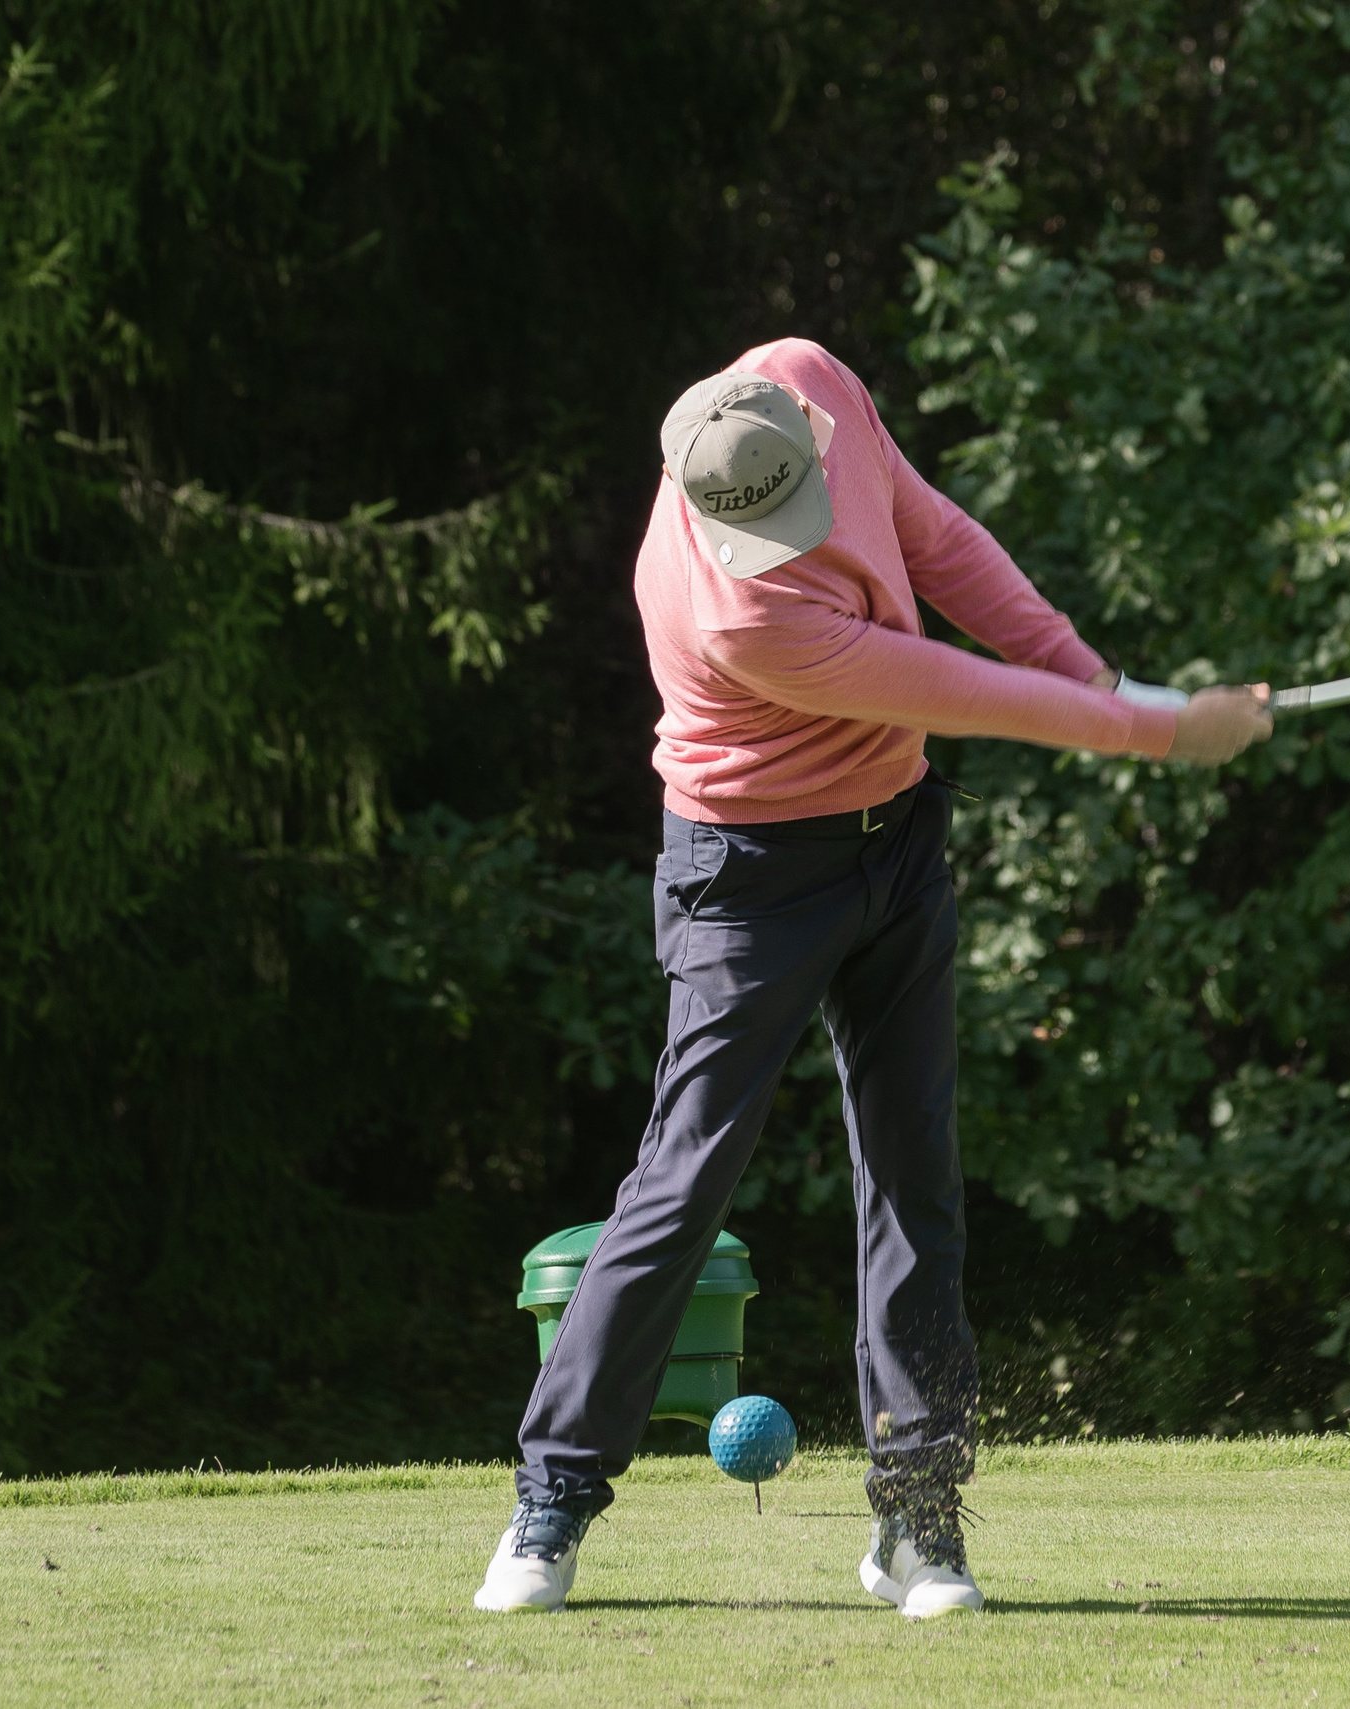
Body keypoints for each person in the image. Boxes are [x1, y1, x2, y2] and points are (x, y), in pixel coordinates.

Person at [472, 338, 1270, 1619]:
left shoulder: (807, 380)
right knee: (686, 1177)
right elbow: (952, 688)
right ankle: (551, 1502)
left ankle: (917, 1521)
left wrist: (1096, 674)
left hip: (895, 844)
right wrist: (1162, 731)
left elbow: (937, 536)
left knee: (916, 1176)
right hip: (748, 876)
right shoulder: (743, 610)